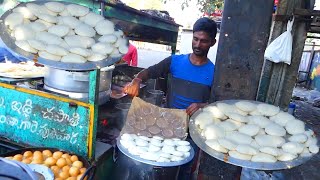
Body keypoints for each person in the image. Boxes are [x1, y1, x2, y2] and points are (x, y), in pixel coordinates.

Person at [123, 17, 217, 116]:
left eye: (204, 41)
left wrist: (203, 106)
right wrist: (137, 80)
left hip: (195, 125)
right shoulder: (174, 61)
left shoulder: (214, 73)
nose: (198, 45)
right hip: (169, 121)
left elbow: (218, 104)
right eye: (195, 39)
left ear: (212, 42)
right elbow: (149, 72)